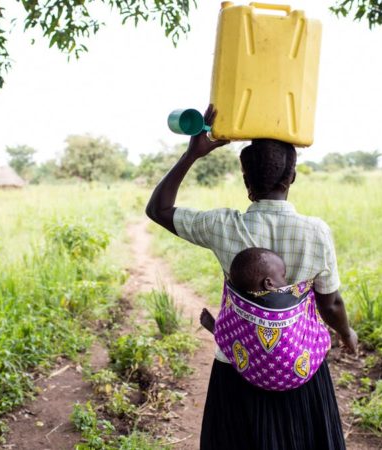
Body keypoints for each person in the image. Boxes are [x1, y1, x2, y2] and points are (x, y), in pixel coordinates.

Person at [146, 105, 357, 450]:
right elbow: (330, 302)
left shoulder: (222, 225)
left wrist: (191, 155)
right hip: (300, 363)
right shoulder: (316, 232)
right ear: (292, 178)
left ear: (246, 181)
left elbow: (158, 210)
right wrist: (347, 333)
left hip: (237, 363)